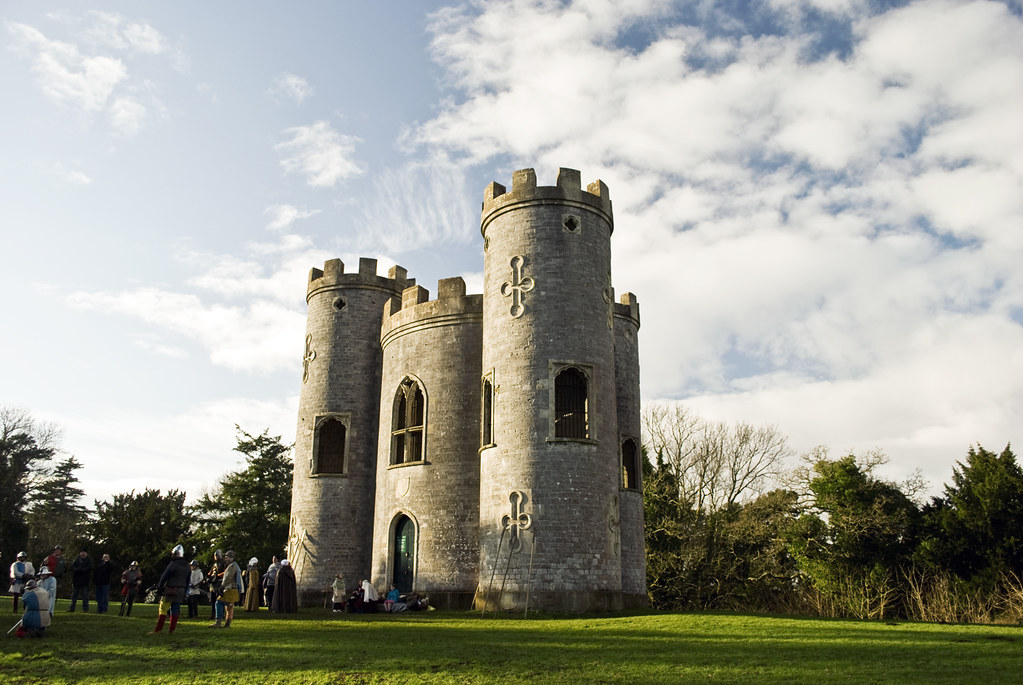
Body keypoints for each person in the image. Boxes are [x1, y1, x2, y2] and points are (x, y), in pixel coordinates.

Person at [151, 545, 189, 634]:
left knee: (163, 608)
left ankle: (158, 629)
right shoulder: (187, 566)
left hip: (171, 589)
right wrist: (185, 591)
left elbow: (164, 576)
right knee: (175, 610)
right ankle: (171, 630)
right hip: (181, 590)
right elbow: (187, 580)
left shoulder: (173, 564)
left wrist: (160, 587)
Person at [211, 550, 242, 628]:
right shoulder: (235, 566)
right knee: (229, 607)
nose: (226, 559)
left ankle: (218, 622)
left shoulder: (232, 566)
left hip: (230, 589)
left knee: (219, 603)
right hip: (233, 589)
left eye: (227, 557)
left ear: (232, 558)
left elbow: (228, 578)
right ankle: (227, 623)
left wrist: (222, 587)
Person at [206, 549, 226, 620]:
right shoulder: (214, 564)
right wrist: (209, 576)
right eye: (215, 555)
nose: (215, 557)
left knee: (219, 600)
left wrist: (217, 576)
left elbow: (225, 572)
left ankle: (220, 615)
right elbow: (211, 572)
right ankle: (213, 614)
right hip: (213, 584)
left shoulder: (224, 563)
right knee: (213, 600)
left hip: (220, 583)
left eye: (217, 555)